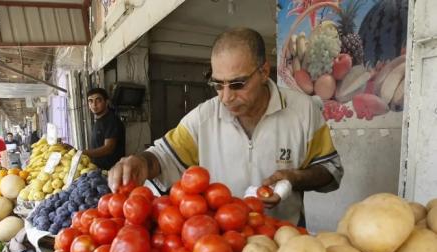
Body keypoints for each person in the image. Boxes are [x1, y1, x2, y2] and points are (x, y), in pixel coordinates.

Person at [108, 28, 343, 226]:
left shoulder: (302, 111)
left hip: (285, 243)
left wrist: (294, 178)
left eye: (237, 84)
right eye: (218, 85)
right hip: (223, 247)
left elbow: (330, 170)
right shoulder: (203, 118)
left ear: (263, 71)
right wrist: (141, 162)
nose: (226, 97)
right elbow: (162, 156)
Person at [83, 87, 125, 170]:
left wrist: (83, 153)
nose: (94, 104)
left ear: (106, 102)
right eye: (90, 101)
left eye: (98, 100)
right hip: (99, 170)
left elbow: (108, 148)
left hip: (111, 171)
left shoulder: (111, 121)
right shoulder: (98, 121)